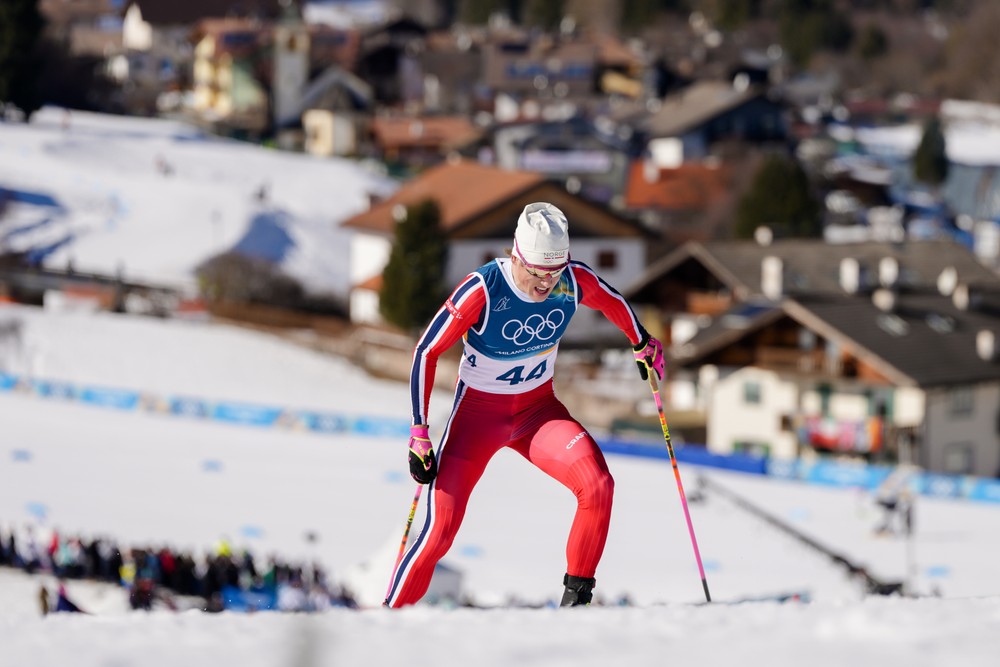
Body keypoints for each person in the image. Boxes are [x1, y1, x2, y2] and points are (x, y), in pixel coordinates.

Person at [384, 202, 665, 608]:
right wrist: (418, 432)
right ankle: (385, 621)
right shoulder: (484, 288)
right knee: (438, 533)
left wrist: (641, 340)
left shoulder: (571, 279)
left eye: (553, 273)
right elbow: (427, 351)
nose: (545, 285)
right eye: (536, 273)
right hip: (476, 419)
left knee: (598, 485)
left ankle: (576, 605)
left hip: (538, 413)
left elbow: (611, 301)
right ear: (517, 256)